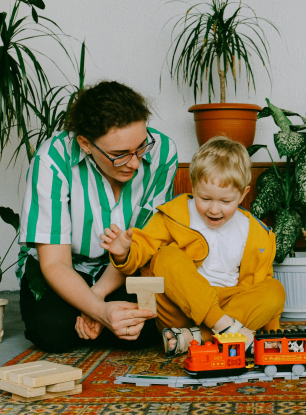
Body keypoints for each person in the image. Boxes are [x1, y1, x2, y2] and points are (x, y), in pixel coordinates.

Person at [17, 81, 178, 353]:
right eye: (119, 155)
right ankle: (98, 322)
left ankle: (96, 321)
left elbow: (144, 243)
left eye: (140, 147)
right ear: (85, 144)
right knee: (53, 333)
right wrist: (101, 311)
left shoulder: (163, 152)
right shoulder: (51, 160)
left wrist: (97, 298)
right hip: (64, 270)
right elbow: (55, 263)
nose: (136, 162)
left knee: (146, 330)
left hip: (127, 268)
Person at [100, 137, 285, 357]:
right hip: (180, 307)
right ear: (193, 186)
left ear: (243, 195)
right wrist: (124, 253)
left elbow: (261, 280)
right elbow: (144, 247)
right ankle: (224, 328)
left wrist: (272, 333)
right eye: (205, 198)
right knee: (166, 256)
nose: (214, 209)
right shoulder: (174, 214)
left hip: (231, 307)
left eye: (225, 202)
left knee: (275, 290)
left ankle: (195, 337)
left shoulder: (257, 234)